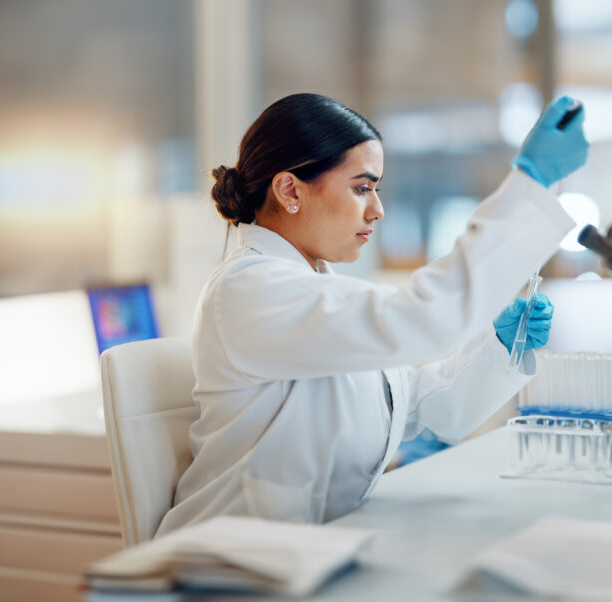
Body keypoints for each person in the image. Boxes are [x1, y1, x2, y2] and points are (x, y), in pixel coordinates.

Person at [155, 92, 587, 535]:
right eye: (362, 188)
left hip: (307, 544)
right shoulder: (249, 290)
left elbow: (417, 405)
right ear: (289, 190)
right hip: (230, 555)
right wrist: (529, 183)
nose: (377, 210)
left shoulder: (313, 288)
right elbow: (421, 318)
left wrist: (497, 348)